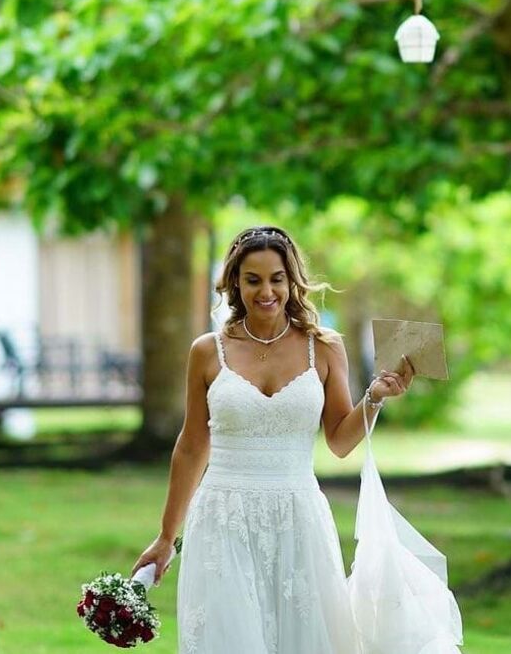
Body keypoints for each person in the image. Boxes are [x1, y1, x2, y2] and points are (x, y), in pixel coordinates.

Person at [132, 224, 414, 654]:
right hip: (223, 518)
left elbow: (338, 440)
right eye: (253, 279)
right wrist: (166, 537)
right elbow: (191, 447)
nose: (267, 291)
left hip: (298, 516)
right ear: (234, 284)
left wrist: (374, 398)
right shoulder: (208, 351)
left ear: (291, 281)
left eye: (276, 279)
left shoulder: (324, 347)